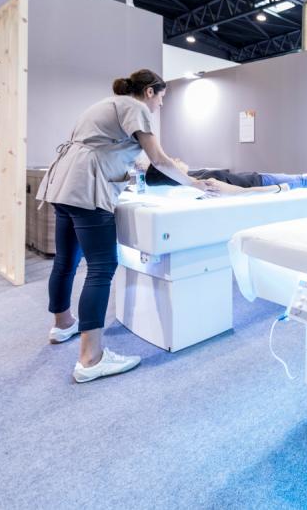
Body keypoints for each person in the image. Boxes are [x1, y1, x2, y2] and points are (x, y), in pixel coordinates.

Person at [36, 69, 218, 383]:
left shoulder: (106, 105)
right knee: (102, 267)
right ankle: (91, 359)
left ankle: (62, 324)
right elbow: (158, 159)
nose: (161, 104)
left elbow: (125, 156)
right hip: (86, 188)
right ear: (150, 92)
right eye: (161, 97)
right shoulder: (135, 107)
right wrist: (193, 183)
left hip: (62, 185)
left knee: (66, 261)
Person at [142, 158, 307, 192]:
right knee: (299, 182)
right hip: (259, 182)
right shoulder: (198, 183)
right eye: (172, 162)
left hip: (255, 176)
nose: (176, 158)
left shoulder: (192, 175)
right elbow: (235, 191)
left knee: (293, 176)